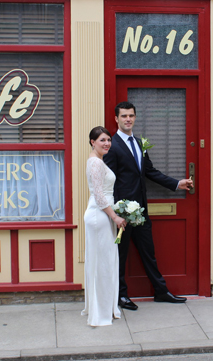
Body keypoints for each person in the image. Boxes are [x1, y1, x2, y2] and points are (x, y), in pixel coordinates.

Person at [104, 101, 193, 311]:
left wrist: (176, 183)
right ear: (116, 119)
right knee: (121, 254)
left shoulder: (140, 142)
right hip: (122, 212)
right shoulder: (112, 145)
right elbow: (108, 180)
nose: (128, 119)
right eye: (124, 116)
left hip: (141, 211)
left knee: (148, 252)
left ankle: (161, 291)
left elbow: (149, 171)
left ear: (135, 117)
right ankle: (120, 295)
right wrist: (116, 211)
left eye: (131, 116)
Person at [82, 126, 127, 326]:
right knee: (102, 264)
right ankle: (99, 313)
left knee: (104, 262)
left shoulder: (99, 161)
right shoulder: (95, 163)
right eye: (102, 140)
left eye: (108, 139)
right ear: (92, 142)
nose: (107, 143)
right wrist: (115, 217)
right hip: (99, 216)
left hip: (101, 214)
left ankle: (103, 308)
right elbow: (99, 195)